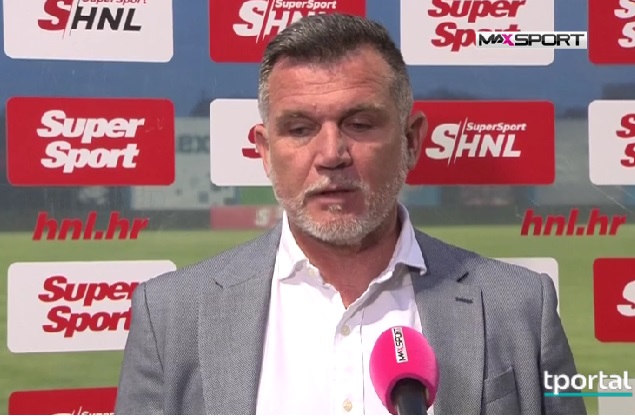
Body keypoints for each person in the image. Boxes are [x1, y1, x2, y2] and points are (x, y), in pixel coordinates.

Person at [115, 14, 586, 415]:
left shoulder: (520, 307)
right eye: (300, 128)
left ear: (411, 141)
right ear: (264, 151)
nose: (331, 154)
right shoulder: (171, 316)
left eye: (359, 124)